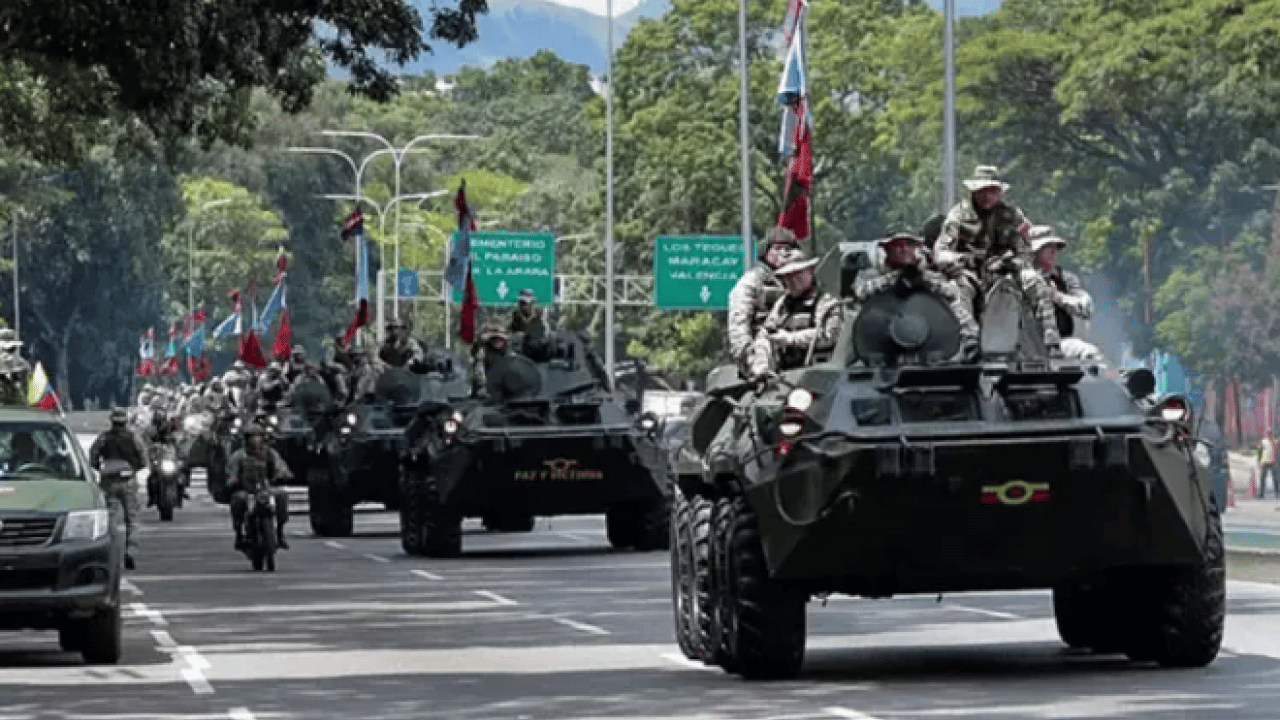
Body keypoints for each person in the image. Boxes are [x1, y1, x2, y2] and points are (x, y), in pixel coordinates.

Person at [934, 165, 1061, 355]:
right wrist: (954, 261)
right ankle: (970, 341)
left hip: (1004, 271)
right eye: (983, 191)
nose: (988, 196)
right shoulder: (958, 216)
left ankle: (1051, 342)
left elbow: (1026, 249)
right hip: (970, 273)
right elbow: (941, 250)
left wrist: (1012, 261)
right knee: (957, 291)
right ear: (974, 190)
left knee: (1035, 281)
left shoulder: (1012, 215)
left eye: (992, 191)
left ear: (999, 192)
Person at [853, 231, 980, 361]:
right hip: (880, 329)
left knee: (956, 307)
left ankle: (970, 347)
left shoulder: (928, 273)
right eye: (897, 245)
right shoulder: (871, 274)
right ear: (886, 248)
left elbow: (951, 292)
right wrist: (896, 278)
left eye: (909, 245)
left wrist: (922, 280)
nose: (904, 249)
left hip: (926, 329)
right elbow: (860, 292)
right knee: (852, 311)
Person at [745, 250, 843, 380]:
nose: (792, 281)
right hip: (786, 376)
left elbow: (829, 336)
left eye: (798, 275)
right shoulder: (782, 304)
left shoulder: (826, 302)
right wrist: (761, 364)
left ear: (811, 272)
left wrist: (790, 338)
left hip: (821, 376)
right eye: (787, 276)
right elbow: (765, 334)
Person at [727, 227, 803, 379]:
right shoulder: (752, 282)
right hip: (764, 354)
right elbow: (739, 323)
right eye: (777, 248)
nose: (783, 253)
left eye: (788, 249)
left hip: (798, 348)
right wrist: (749, 357)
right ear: (766, 252)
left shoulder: (802, 281)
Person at [1028, 226, 1103, 360]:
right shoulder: (1018, 280)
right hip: (1026, 347)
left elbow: (1087, 307)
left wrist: (1057, 297)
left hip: (1060, 345)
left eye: (1054, 247)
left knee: (1090, 354)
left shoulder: (1065, 279)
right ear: (1034, 251)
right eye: (1046, 247)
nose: (1053, 251)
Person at [88, 407, 149, 569]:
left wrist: (101, 468)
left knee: (110, 518)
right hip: (128, 481)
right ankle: (131, 551)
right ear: (126, 421)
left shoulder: (104, 438)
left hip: (108, 482)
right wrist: (133, 468)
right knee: (133, 518)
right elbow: (143, 459)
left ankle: (111, 551)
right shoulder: (133, 437)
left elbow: (93, 456)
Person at [226, 423, 292, 550]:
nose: (255, 440)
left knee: (282, 495)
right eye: (251, 437)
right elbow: (231, 471)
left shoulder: (270, 454)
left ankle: (280, 532)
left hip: (266, 490)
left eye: (258, 436)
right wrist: (232, 479)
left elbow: (280, 467)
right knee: (238, 500)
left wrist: (284, 474)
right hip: (246, 491)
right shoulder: (239, 455)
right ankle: (239, 533)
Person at [469, 322, 511, 398]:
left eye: (500, 339)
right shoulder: (483, 352)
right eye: (494, 339)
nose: (497, 342)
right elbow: (479, 372)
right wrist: (484, 387)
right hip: (486, 389)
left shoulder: (509, 352)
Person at [1258, 430, 1277, 499]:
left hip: (1273, 463)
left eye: (1270, 434)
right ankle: (1261, 494)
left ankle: (1277, 493)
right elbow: (1260, 451)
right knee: (1262, 478)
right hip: (1264, 462)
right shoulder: (1264, 441)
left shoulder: (1275, 442)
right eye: (1268, 434)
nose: (1269, 435)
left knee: (1275, 479)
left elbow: (1276, 451)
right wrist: (1259, 462)